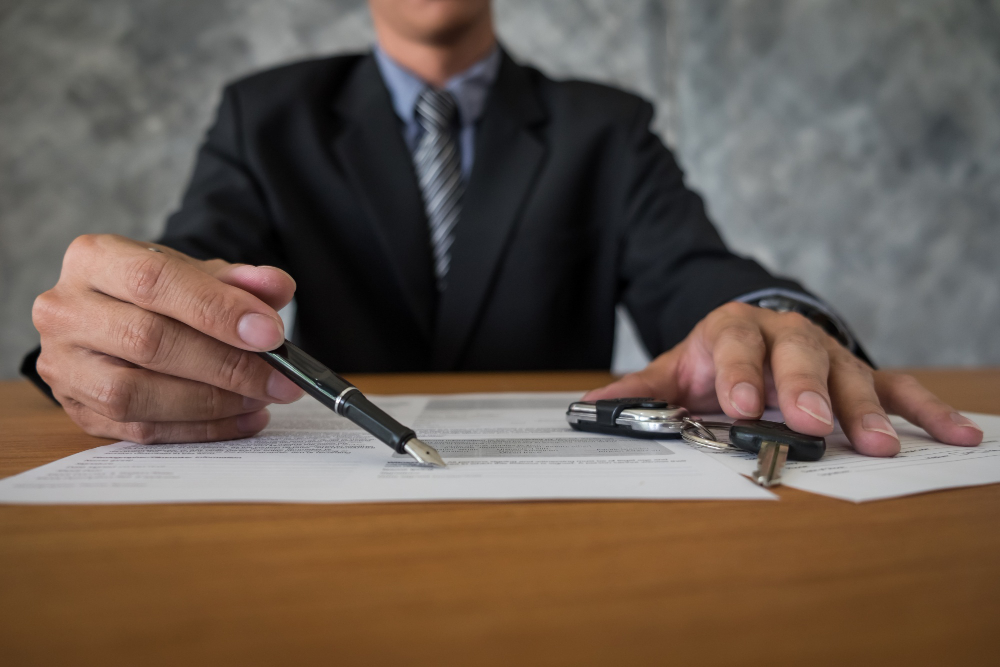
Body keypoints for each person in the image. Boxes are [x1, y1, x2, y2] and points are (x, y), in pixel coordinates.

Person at [25, 0, 983, 455]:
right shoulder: (260, 115)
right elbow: (184, 267)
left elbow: (702, 277)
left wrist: (770, 321)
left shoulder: (606, 127)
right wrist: (110, 332)